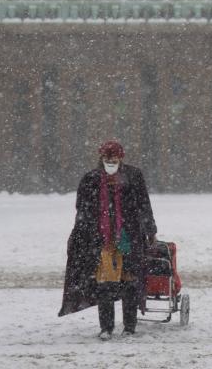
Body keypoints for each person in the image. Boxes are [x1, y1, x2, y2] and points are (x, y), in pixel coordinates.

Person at [59, 140, 158, 340]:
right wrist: (79, 234)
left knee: (129, 281)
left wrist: (150, 231)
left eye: (114, 158)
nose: (110, 161)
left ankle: (129, 326)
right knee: (104, 283)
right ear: (101, 157)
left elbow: (143, 205)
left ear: (121, 158)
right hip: (101, 240)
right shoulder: (90, 179)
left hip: (128, 238)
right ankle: (106, 328)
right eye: (107, 157)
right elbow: (82, 210)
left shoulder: (133, 176)